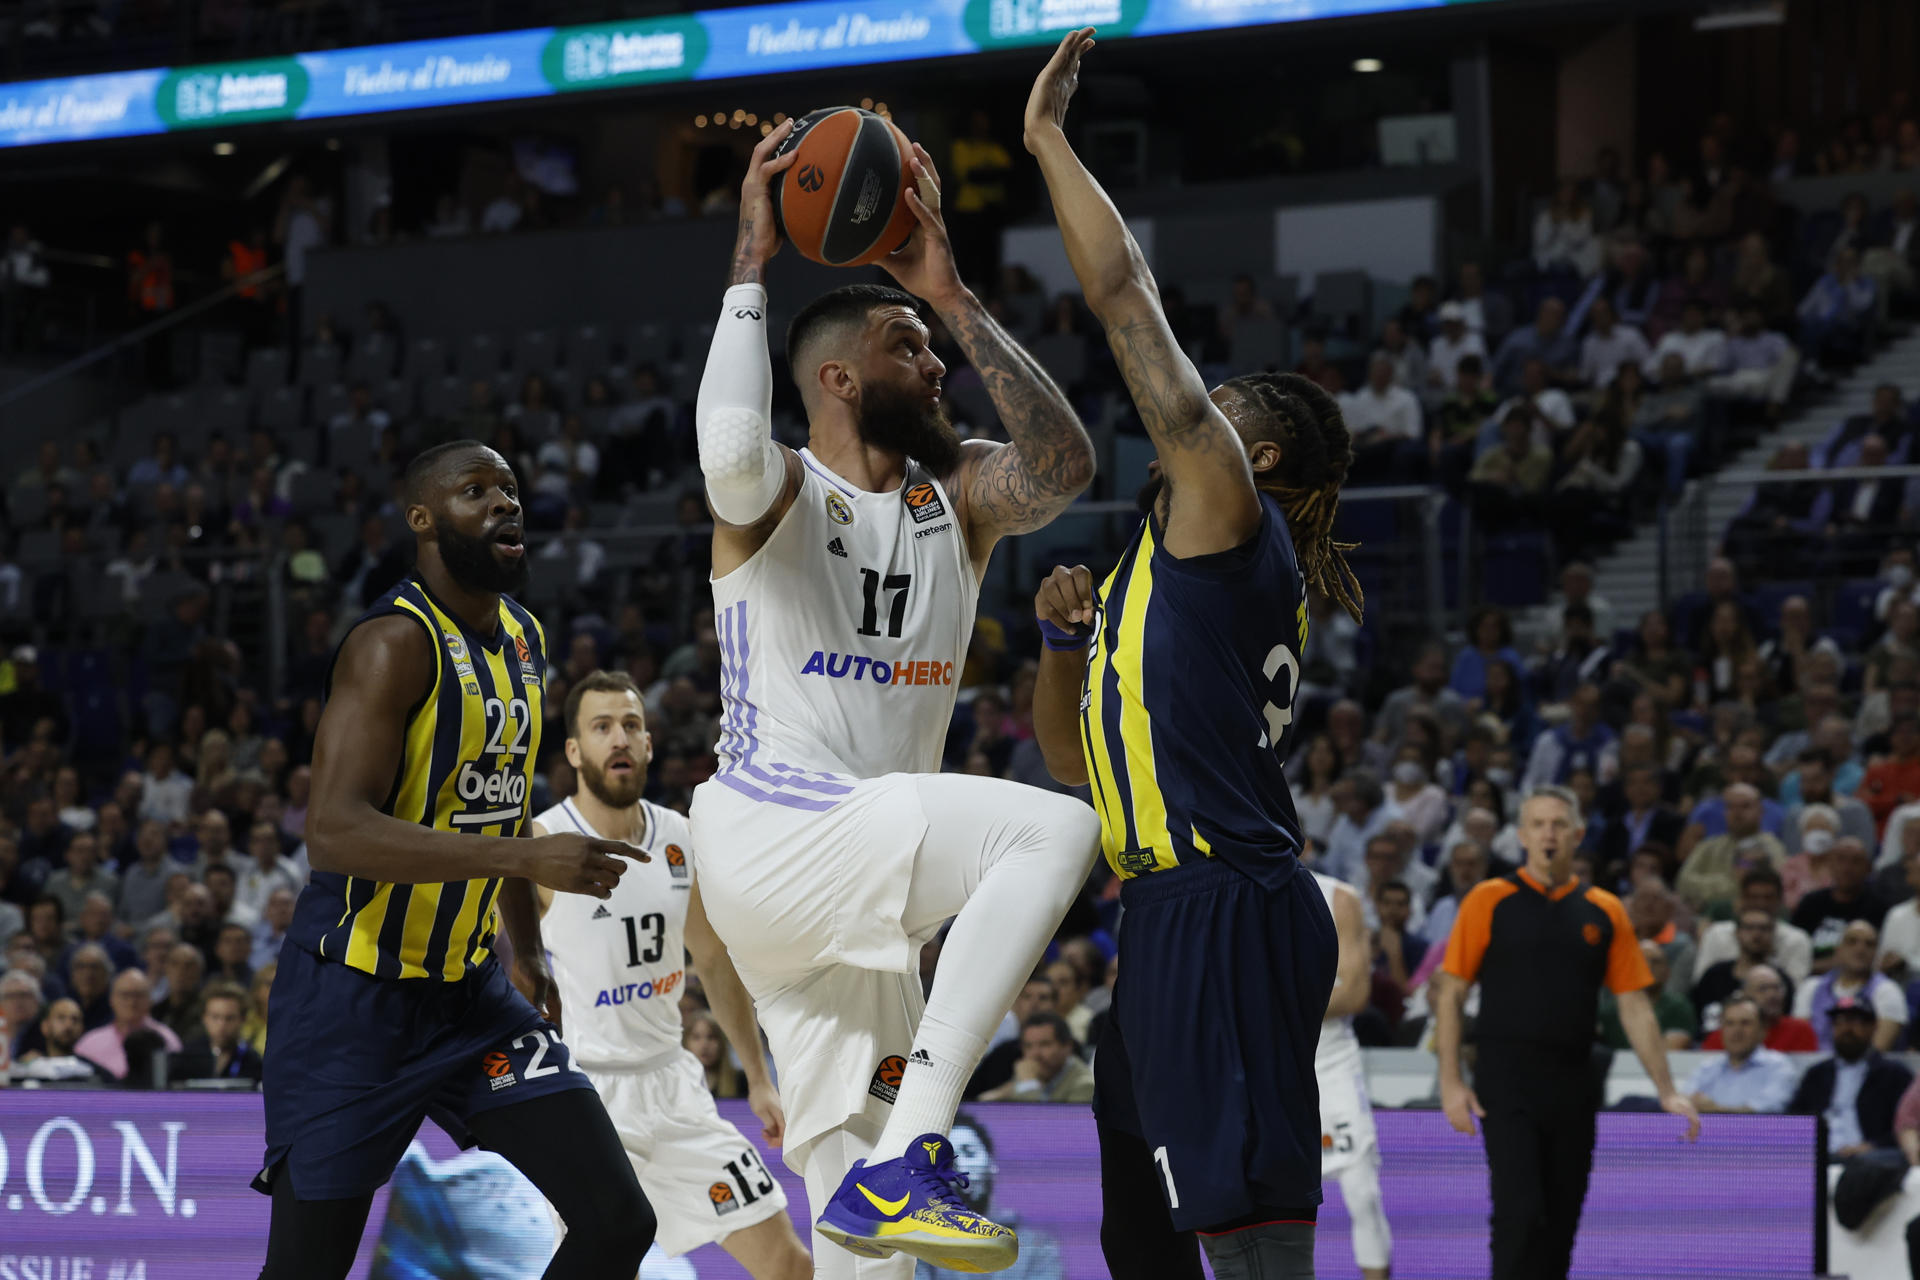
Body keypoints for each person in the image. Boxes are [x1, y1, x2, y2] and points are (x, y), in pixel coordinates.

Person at [688, 94, 1099, 1275]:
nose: (935, 364)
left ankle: (886, 1168)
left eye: (934, 346)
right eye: (907, 346)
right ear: (835, 376)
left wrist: (955, 293)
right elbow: (724, 445)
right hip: (776, 829)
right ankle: (917, 1147)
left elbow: (1064, 465)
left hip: (855, 904)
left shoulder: (954, 498)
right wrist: (752, 261)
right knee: (1053, 830)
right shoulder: (773, 491)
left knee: (867, 1253)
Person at [1024, 31, 1350, 1280]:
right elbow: (1074, 762)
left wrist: (1051, 141)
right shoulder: (1158, 576)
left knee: (1243, 1221)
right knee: (1142, 1222)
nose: (1198, 408)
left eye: (1227, 409)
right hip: (1164, 903)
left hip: (1226, 898)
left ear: (1255, 458)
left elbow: (1126, 305)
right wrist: (1061, 640)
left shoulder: (1228, 510)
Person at [256, 439, 658, 1280]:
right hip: (352, 1005)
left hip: (472, 998)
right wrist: (526, 858)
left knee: (617, 1222)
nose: (505, 503)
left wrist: (529, 952)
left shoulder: (524, 636)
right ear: (424, 519)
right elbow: (332, 831)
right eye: (477, 491)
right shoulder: (391, 644)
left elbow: (502, 799)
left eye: (510, 488)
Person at [529, 669, 811, 1279]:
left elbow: (712, 959)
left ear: (650, 743)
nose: (620, 738)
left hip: (675, 1090)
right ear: (575, 751)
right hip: (588, 1100)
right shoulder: (543, 843)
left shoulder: (679, 836)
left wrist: (759, 1080)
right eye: (601, 727)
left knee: (790, 1267)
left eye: (631, 724)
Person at [1435, 786, 1697, 1280]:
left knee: (1561, 1222)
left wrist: (1667, 1091)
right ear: (1521, 836)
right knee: (1520, 1212)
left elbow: (1634, 1003)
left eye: (1559, 825)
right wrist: (1451, 1082)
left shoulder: (1605, 909)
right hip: (1505, 1077)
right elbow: (1449, 994)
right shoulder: (1489, 899)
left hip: (1575, 1080)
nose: (1548, 834)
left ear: (1577, 836)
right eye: (1537, 824)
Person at [1312, 870, 1391, 1280]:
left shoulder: (1338, 897)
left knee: (1363, 1194)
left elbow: (1356, 992)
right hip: (1261, 1063)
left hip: (1330, 1063)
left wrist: (1275, 1007)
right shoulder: (1231, 893)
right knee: (1260, 1200)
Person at [913, 1113, 1068, 1280]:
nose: (961, 1166)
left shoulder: (1038, 1247)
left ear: (992, 1164)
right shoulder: (922, 1246)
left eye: (970, 1153)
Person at [1789, 997, 1913, 1160]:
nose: (1846, 1028)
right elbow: (1795, 1116)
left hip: (1869, 1157)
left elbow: (1906, 1126)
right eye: (1839, 1022)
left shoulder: (1894, 1074)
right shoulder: (1817, 1074)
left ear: (1873, 1026)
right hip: (1819, 1154)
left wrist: (1873, 1146)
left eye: (1855, 1021)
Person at [1794, 919, 1906, 1052]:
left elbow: (1878, 1050)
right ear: (1838, 949)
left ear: (1877, 952)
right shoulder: (1811, 988)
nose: (1860, 949)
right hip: (1817, 1068)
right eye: (1852, 941)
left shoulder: (1888, 991)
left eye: (1869, 944)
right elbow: (1801, 1043)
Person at [1682, 995, 1799, 1114]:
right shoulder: (1708, 1068)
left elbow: (1769, 1109)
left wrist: (1716, 1110)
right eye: (1729, 1023)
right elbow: (1684, 1102)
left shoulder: (1779, 1067)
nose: (1736, 1030)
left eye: (1745, 1023)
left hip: (1757, 1132)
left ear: (1763, 1030)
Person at [1792, 838, 1889, 972]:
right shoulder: (1810, 903)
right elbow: (1795, 959)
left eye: (1856, 861)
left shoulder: (1880, 908)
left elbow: (1877, 961)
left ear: (1868, 868)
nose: (1847, 868)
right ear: (1830, 865)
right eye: (1841, 859)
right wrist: (1834, 963)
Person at [74, 969, 182, 1079]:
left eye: (138, 995)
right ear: (112, 999)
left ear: (150, 999)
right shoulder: (89, 1044)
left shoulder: (168, 1040)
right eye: (125, 995)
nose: (132, 1002)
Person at [976, 1013, 1093, 1103]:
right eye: (1028, 1046)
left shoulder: (1085, 1086)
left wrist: (1028, 1084)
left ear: (1067, 1046)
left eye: (1045, 1044)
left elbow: (1041, 1128)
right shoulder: (1034, 1071)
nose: (1035, 1054)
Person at [171, 981, 263, 1082]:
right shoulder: (188, 1057)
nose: (222, 1025)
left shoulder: (254, 1061)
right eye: (215, 1017)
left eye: (229, 1018)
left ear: (243, 1019)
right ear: (204, 1018)